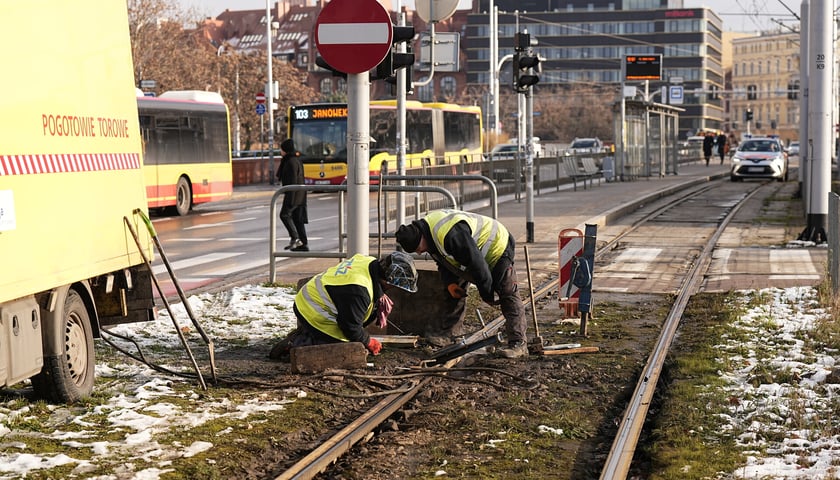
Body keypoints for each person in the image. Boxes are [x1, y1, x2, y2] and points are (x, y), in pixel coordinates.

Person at [395, 209, 529, 359]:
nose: (419, 253)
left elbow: (478, 265)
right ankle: (450, 334)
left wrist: (487, 294)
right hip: (471, 255)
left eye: (418, 249)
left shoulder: (450, 234)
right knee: (453, 291)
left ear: (421, 239)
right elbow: (443, 261)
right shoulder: (428, 234)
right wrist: (450, 283)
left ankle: (518, 343)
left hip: (497, 246)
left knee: (507, 292)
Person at [271, 251, 418, 359]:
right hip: (312, 308)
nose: (394, 290)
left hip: (312, 298)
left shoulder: (368, 262)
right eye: (395, 286)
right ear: (388, 280)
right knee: (341, 349)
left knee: (352, 339)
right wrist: (368, 341)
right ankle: (295, 346)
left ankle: (310, 332)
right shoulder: (359, 290)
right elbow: (350, 327)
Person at [277, 138, 308, 252]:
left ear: (286, 149)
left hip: (293, 194)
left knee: (284, 215)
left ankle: (295, 237)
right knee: (297, 218)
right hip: (298, 193)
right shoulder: (295, 159)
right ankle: (303, 243)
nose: (280, 151)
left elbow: (293, 180)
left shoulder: (290, 162)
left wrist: (290, 196)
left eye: (281, 149)